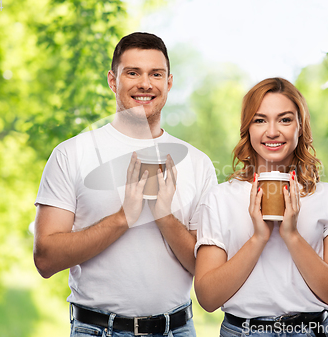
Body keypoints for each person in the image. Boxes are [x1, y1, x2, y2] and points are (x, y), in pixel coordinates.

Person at [33, 32, 217, 337]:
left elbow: (205, 269)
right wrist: (124, 217)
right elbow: (46, 259)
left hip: (177, 330)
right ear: (112, 80)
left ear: (168, 82)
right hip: (96, 330)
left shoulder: (199, 164)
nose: (145, 84)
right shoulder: (71, 154)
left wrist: (162, 214)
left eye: (155, 74)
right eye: (133, 73)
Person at [194, 77, 328, 337]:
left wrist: (291, 235)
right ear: (247, 128)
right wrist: (259, 237)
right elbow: (208, 298)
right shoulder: (220, 198)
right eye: (260, 120)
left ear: (300, 127)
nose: (272, 131)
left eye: (285, 119)